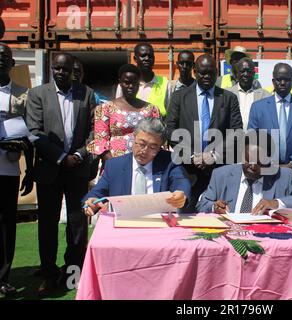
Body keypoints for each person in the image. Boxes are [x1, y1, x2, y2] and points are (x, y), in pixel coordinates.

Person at [25, 53, 96, 296]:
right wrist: (60, 157)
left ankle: (73, 272)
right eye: (57, 68)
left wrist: (77, 155)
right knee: (47, 224)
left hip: (77, 169)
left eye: (65, 69)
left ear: (72, 71)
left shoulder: (86, 93)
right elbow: (34, 132)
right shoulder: (38, 95)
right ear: (51, 69)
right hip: (49, 169)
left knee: (77, 224)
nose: (61, 73)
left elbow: (93, 131)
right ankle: (48, 273)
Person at [166, 53, 243, 212]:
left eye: (211, 73)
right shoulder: (179, 96)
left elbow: (236, 131)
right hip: (188, 171)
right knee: (186, 216)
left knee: (220, 215)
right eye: (202, 73)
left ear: (217, 73)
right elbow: (170, 130)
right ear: (194, 71)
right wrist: (192, 155)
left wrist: (213, 155)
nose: (207, 76)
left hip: (219, 170)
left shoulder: (229, 98)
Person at [83, 118, 190, 215]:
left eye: (153, 147)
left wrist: (181, 194)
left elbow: (180, 181)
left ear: (160, 147)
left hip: (159, 225)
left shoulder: (169, 162)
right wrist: (92, 201)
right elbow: (97, 192)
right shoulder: (114, 166)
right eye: (141, 144)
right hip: (124, 223)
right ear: (134, 138)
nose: (145, 151)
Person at [196, 130, 292, 214]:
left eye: (259, 162)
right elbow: (202, 203)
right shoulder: (221, 174)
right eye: (248, 160)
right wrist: (214, 207)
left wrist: (276, 203)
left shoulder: (283, 176)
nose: (253, 166)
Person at [248, 63, 292, 190]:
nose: (283, 83)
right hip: (266, 174)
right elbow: (252, 140)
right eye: (279, 79)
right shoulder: (258, 107)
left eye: (287, 79)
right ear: (273, 81)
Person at [0, 43, 33, 298]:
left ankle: (4, 276)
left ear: (13, 63)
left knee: (6, 225)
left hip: (9, 169)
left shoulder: (23, 94)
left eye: (5, 57)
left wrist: (30, 171)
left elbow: (31, 135)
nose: (1, 60)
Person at [87, 64, 160, 170]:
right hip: (115, 164)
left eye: (134, 83)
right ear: (120, 82)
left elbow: (156, 138)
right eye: (126, 82)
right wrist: (113, 164)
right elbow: (100, 140)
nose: (130, 86)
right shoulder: (106, 108)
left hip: (145, 166)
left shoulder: (151, 109)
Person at [115, 43, 169, 117]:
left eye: (150, 56)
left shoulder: (165, 83)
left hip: (156, 127)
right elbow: (117, 110)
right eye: (143, 56)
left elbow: (170, 113)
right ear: (135, 58)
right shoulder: (125, 84)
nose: (147, 59)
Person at [226, 58, 271, 131]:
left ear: (254, 73)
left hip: (256, 140)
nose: (246, 74)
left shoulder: (265, 95)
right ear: (237, 73)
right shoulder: (227, 94)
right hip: (233, 139)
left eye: (249, 71)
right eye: (242, 71)